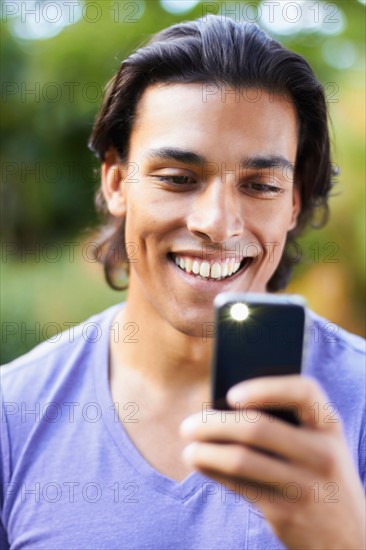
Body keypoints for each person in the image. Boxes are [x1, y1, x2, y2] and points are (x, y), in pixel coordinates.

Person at [1, 15, 365, 550]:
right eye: (178, 178)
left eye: (260, 184)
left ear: (293, 203)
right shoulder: (14, 414)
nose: (218, 223)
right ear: (117, 181)